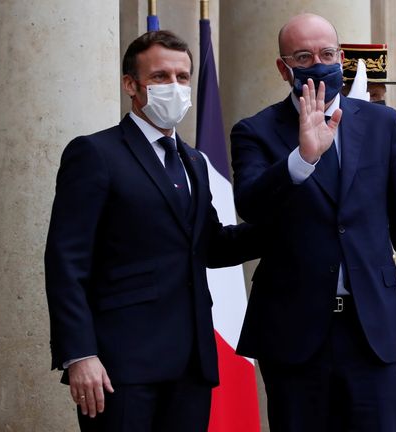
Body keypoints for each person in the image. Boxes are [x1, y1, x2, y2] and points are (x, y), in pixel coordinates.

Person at [230, 13, 396, 432]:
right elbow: (250, 205)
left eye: (327, 53)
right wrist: (302, 158)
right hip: (294, 334)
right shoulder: (255, 130)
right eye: (304, 56)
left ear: (341, 58)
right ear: (283, 68)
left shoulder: (382, 124)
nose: (318, 63)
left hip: (373, 334)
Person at [44, 30, 261, 431]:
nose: (175, 87)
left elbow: (211, 246)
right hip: (119, 366)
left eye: (183, 77)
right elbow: (66, 263)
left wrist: (284, 222)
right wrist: (79, 355)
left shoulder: (194, 161)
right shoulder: (95, 153)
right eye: (160, 77)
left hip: (191, 364)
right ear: (131, 84)